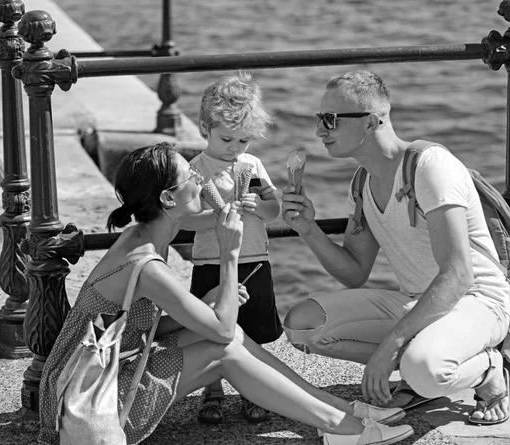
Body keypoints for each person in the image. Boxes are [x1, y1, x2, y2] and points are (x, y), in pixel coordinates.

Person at [37, 142, 414, 445]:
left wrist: (204, 301)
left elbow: (143, 328)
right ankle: (342, 427)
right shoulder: (147, 263)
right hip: (89, 405)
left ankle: (341, 410)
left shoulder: (142, 238)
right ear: (168, 200)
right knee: (224, 346)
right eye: (190, 176)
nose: (200, 179)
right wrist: (229, 253)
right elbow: (219, 331)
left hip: (100, 375)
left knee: (229, 336)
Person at [281, 70, 510, 425]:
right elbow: (355, 272)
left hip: (478, 300)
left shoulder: (430, 167)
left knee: (424, 370)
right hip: (422, 301)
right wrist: (308, 229)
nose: (319, 131)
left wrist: (391, 347)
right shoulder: (362, 182)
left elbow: (458, 274)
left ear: (371, 122)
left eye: (330, 120)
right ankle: (424, 359)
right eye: (318, 119)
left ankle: (489, 368)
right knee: (303, 327)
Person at [182, 71, 283, 424]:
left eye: (244, 140)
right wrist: (217, 215)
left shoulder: (252, 165)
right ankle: (211, 391)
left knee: (254, 331)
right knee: (211, 330)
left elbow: (274, 210)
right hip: (211, 260)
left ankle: (252, 391)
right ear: (204, 128)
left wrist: (261, 206)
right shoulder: (195, 170)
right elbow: (187, 219)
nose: (236, 148)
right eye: (228, 139)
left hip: (253, 257)